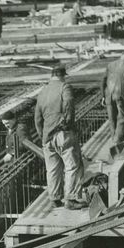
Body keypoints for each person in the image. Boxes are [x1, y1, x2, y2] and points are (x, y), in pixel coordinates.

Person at [34, 66, 86, 210]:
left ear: (52, 76)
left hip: (47, 136)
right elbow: (69, 104)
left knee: (52, 169)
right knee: (73, 166)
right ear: (63, 76)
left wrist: (42, 135)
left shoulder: (43, 91)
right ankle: (71, 199)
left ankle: (54, 198)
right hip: (62, 133)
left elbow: (37, 118)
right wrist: (68, 123)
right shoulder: (65, 87)